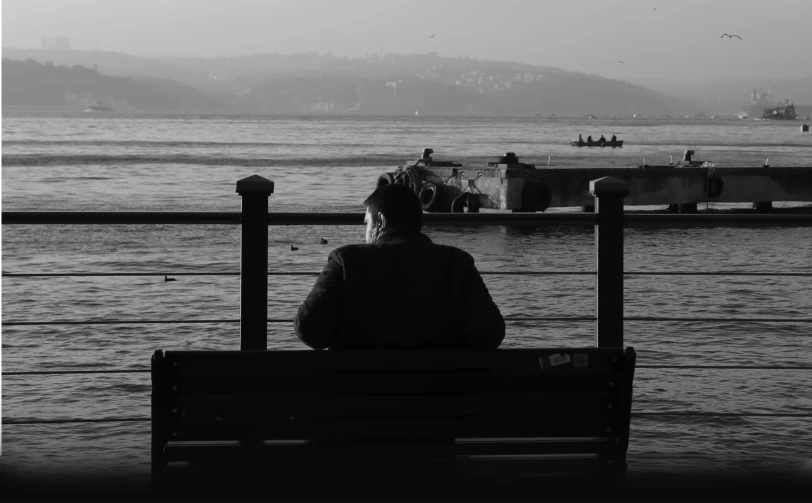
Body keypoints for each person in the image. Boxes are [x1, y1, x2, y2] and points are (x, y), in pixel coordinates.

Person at [294, 183, 506, 350]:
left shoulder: (346, 260)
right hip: (442, 395)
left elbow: (309, 331)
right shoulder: (457, 262)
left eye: (366, 223)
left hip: (358, 395)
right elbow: (490, 334)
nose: (366, 231)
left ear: (380, 221)